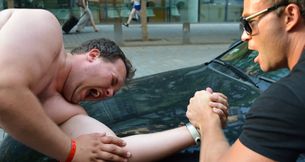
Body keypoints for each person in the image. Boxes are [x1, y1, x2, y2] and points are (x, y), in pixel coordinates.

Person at [0, 8, 229, 162]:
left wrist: (200, 126)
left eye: (112, 92)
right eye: (112, 81)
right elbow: (5, 91)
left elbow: (118, 151)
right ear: (93, 55)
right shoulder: (44, 26)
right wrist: (70, 150)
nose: (108, 93)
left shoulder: (67, 111)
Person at [186, 0, 305, 162]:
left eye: (249, 23)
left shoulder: (287, 99)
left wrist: (207, 120)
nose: (244, 36)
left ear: (290, 16)